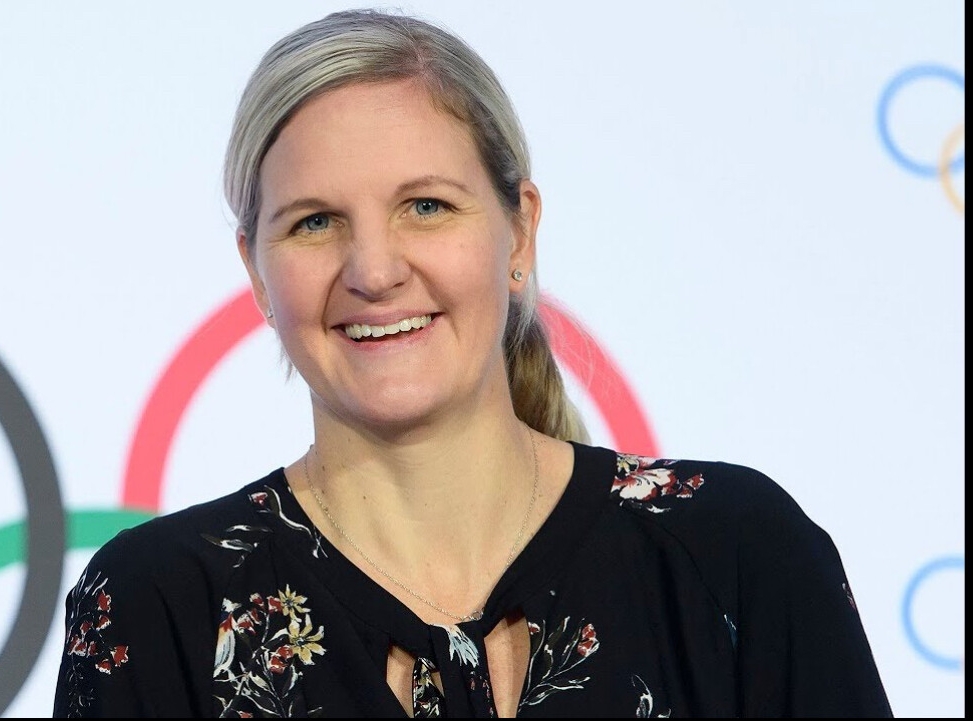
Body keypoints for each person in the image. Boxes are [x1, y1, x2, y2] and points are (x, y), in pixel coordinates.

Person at [52, 9, 892, 718]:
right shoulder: (160, 607)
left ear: (519, 232)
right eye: (315, 222)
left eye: (425, 206)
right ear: (256, 271)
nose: (374, 270)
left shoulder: (734, 555)